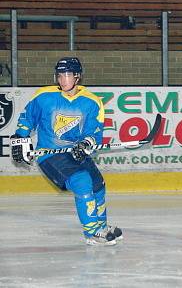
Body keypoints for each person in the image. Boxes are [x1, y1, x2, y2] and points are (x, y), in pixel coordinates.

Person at [10, 57, 123, 245]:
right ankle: (92, 233)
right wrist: (19, 138)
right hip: (50, 154)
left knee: (98, 185)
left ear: (77, 77)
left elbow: (95, 131)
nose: (63, 80)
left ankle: (101, 226)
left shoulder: (92, 102)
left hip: (75, 152)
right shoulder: (44, 96)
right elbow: (27, 118)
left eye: (68, 75)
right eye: (60, 75)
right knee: (82, 181)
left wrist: (86, 143)